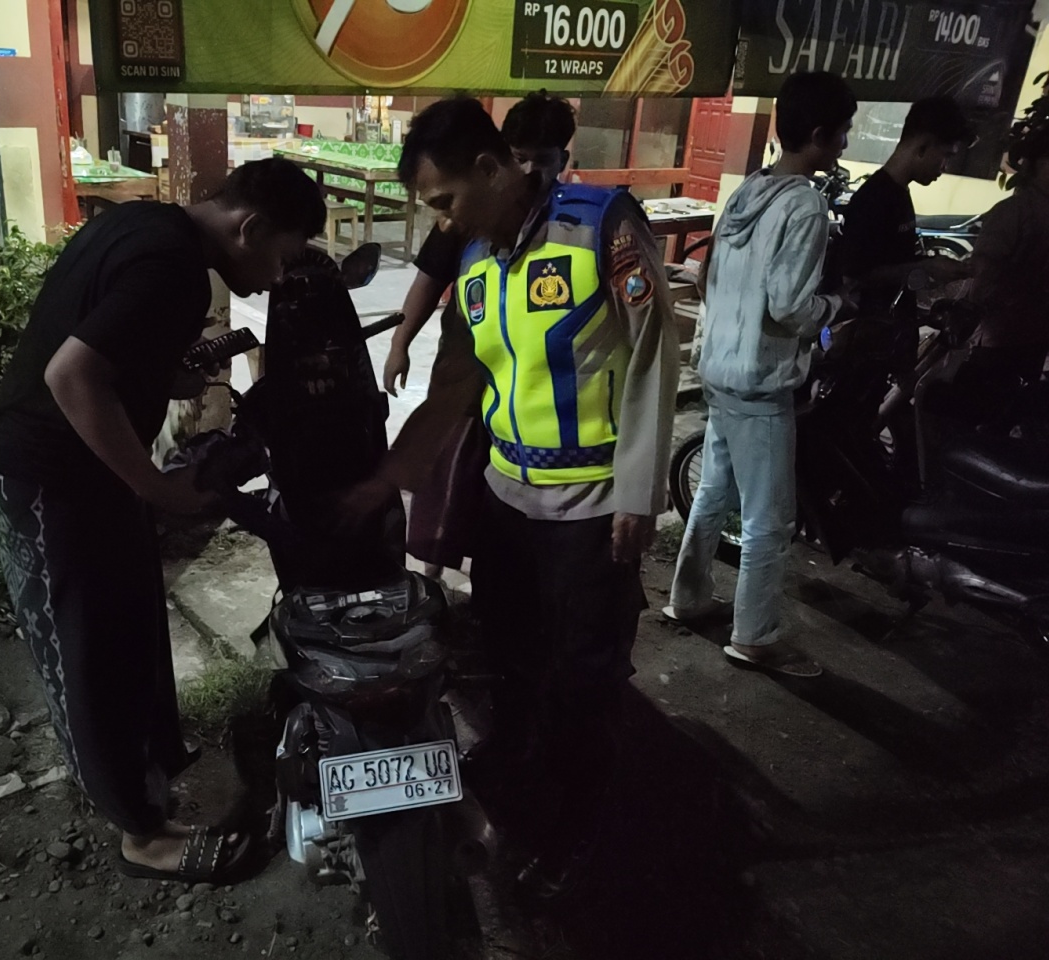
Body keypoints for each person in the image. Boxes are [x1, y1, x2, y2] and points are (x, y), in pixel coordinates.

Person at [0, 159, 325, 883]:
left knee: (129, 626)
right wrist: (157, 488)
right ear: (250, 226)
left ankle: (151, 785)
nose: (271, 279)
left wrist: (168, 372)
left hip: (88, 476)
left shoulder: (146, 225)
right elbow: (69, 375)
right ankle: (142, 836)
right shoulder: (172, 264)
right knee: (89, 651)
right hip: (53, 477)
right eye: (278, 257)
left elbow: (106, 345)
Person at [397, 96, 681, 898]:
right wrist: (393, 473)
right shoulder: (476, 260)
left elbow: (655, 350)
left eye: (446, 202)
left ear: (493, 167)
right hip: (506, 501)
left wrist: (638, 491)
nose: (444, 223)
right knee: (512, 653)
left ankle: (579, 824)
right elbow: (460, 378)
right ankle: (520, 763)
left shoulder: (601, 225)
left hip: (592, 508)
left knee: (584, 676)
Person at [665, 71, 858, 677]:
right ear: (820, 134)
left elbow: (707, 277)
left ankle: (689, 598)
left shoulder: (747, 191)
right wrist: (835, 309)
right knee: (769, 520)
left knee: (715, 493)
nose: (846, 146)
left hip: (720, 369)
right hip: (761, 381)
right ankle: (755, 635)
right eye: (844, 133)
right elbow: (789, 305)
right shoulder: (804, 205)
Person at [380, 92, 578, 578]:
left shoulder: (578, 227)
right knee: (452, 482)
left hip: (532, 397)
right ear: (499, 160)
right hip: (468, 373)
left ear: (564, 160)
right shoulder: (466, 214)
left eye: (543, 160)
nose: (531, 169)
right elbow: (428, 278)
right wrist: (399, 343)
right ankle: (435, 578)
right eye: (522, 156)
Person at [840, 95, 973, 316]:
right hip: (869, 336)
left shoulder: (899, 192)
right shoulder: (874, 198)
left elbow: (894, 262)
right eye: (946, 156)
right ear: (922, 147)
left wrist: (929, 268)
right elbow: (855, 276)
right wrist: (927, 267)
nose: (946, 166)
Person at [965, 98, 1049, 388]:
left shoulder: (1014, 211)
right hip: (1022, 337)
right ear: (1039, 163)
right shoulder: (1016, 212)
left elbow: (982, 274)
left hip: (1000, 338)